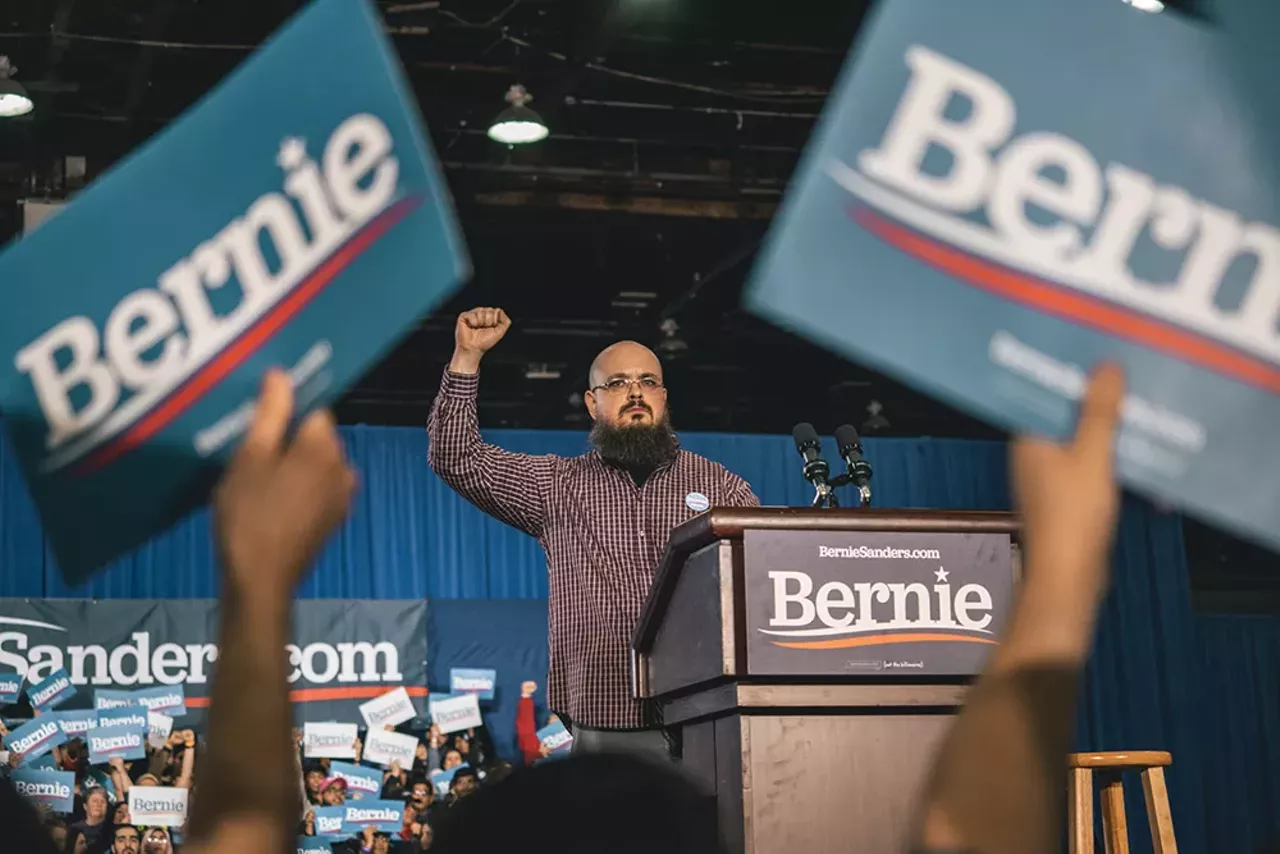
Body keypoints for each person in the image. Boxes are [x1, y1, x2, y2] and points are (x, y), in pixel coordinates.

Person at [428, 308, 759, 758]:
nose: (635, 392)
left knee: (712, 832)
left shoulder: (720, 486)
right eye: (617, 383)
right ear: (591, 403)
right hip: (607, 716)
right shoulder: (557, 485)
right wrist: (466, 358)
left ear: (663, 397)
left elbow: (761, 572)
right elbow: (455, 457)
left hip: (705, 711)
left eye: (647, 381)